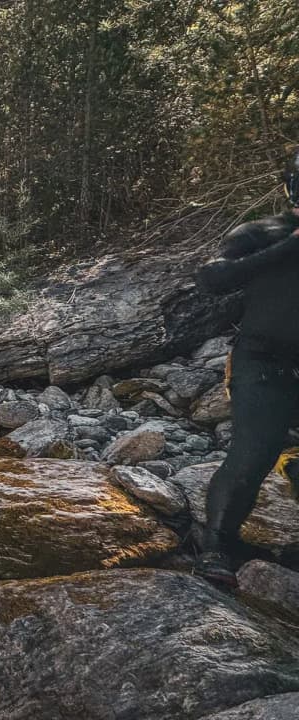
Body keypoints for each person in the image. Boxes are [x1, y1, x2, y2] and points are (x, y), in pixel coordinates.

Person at [192, 151, 299, 586]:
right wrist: (291, 246)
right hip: (263, 360)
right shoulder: (263, 232)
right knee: (255, 453)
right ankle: (215, 546)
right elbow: (211, 278)